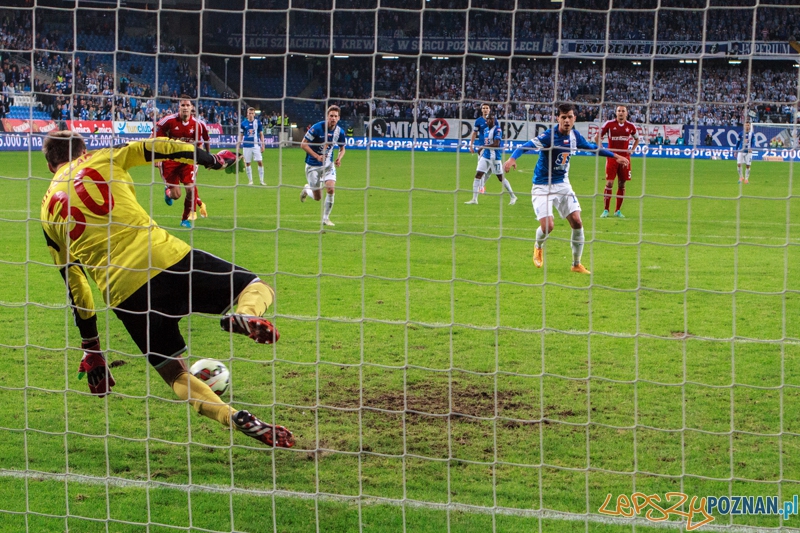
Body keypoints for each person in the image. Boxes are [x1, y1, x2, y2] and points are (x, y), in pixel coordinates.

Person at [40, 131, 294, 448]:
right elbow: (163, 147)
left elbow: (76, 285)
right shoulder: (106, 155)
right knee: (254, 286)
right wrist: (212, 159)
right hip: (164, 257)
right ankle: (245, 314)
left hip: (122, 293)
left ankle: (232, 417)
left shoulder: (47, 212)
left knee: (174, 373)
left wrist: (92, 349)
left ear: (50, 166)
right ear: (83, 149)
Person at [503, 103, 630, 274]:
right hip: (542, 185)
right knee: (548, 226)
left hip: (562, 184)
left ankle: (576, 264)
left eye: (570, 117)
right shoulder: (549, 136)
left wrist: (615, 156)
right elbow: (525, 146)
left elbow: (593, 148)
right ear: (558, 118)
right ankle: (538, 246)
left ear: (574, 118)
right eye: (563, 117)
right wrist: (512, 159)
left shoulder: (575, 136)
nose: (567, 120)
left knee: (577, 221)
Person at [155, 95, 210, 228]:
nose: (185, 108)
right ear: (178, 107)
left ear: (192, 108)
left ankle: (184, 219)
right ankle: (168, 192)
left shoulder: (198, 125)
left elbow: (205, 140)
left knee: (190, 189)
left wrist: (208, 158)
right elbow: (155, 137)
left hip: (188, 161)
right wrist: (156, 158)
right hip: (170, 160)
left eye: (188, 105)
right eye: (183, 105)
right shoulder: (168, 121)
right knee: (176, 195)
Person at [299, 105, 346, 227]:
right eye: (331, 116)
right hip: (313, 166)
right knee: (317, 197)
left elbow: (342, 148)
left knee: (330, 189)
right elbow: (303, 144)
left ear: (339, 118)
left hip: (328, 165)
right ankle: (306, 189)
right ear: (327, 116)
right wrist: (317, 156)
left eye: (335, 116)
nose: (333, 118)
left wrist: (339, 158)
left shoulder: (339, 132)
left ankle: (325, 218)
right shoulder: (317, 128)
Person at [595, 105, 639, 218]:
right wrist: (602, 149)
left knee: (622, 184)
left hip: (625, 159)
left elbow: (637, 138)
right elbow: (597, 137)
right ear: (616, 113)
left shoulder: (631, 126)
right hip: (612, 157)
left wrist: (632, 150)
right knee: (609, 183)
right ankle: (606, 210)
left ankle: (617, 211)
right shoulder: (609, 124)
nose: (620, 113)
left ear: (626, 113)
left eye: (623, 111)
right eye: (619, 111)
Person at [465, 114, 517, 206]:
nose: (489, 120)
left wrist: (483, 147)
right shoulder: (485, 130)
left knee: (500, 178)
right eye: (488, 119)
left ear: (494, 120)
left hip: (495, 158)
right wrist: (483, 149)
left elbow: (496, 144)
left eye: (491, 119)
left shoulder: (497, 130)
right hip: (485, 156)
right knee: (478, 175)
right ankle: (474, 199)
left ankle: (513, 196)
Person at [469, 103, 492, 194]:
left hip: (492, 148)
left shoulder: (494, 120)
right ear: (481, 110)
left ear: (489, 109)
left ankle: (480, 185)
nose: (485, 109)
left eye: (487, 108)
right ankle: (481, 188)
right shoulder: (478, 121)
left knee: (490, 170)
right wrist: (471, 144)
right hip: (482, 147)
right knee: (482, 168)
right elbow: (474, 133)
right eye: (484, 108)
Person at [238, 107, 265, 186]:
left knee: (260, 161)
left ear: (254, 114)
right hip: (246, 146)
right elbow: (241, 135)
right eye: (249, 113)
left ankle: (261, 180)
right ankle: (250, 181)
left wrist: (263, 145)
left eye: (252, 113)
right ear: (247, 114)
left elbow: (261, 134)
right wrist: (238, 145)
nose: (250, 115)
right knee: (247, 163)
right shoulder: (243, 124)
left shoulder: (258, 123)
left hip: (256, 145)